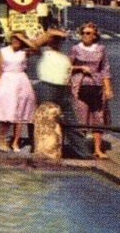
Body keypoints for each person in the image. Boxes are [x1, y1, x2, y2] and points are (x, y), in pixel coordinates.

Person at [30, 27, 92, 158]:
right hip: (47, 88)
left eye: (59, 40)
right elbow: (35, 44)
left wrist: (78, 70)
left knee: (72, 122)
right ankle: (45, 152)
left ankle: (84, 154)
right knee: (46, 120)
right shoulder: (44, 51)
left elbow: (66, 70)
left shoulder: (62, 56)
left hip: (64, 90)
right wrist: (53, 33)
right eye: (55, 39)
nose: (57, 41)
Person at [69, 21, 114, 159]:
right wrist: (80, 68)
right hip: (80, 85)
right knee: (81, 116)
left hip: (97, 85)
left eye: (88, 33)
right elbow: (68, 67)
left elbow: (105, 68)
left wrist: (108, 88)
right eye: (82, 33)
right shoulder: (75, 49)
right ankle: (81, 149)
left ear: (94, 35)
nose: (84, 35)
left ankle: (97, 149)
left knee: (98, 117)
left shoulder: (101, 49)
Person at [0, 30, 37, 152]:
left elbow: (36, 48)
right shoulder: (3, 51)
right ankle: (2, 139)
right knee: (7, 112)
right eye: (14, 38)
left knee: (20, 113)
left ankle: (16, 142)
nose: (16, 41)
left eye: (18, 39)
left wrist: (24, 39)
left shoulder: (24, 52)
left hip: (22, 82)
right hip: (7, 82)